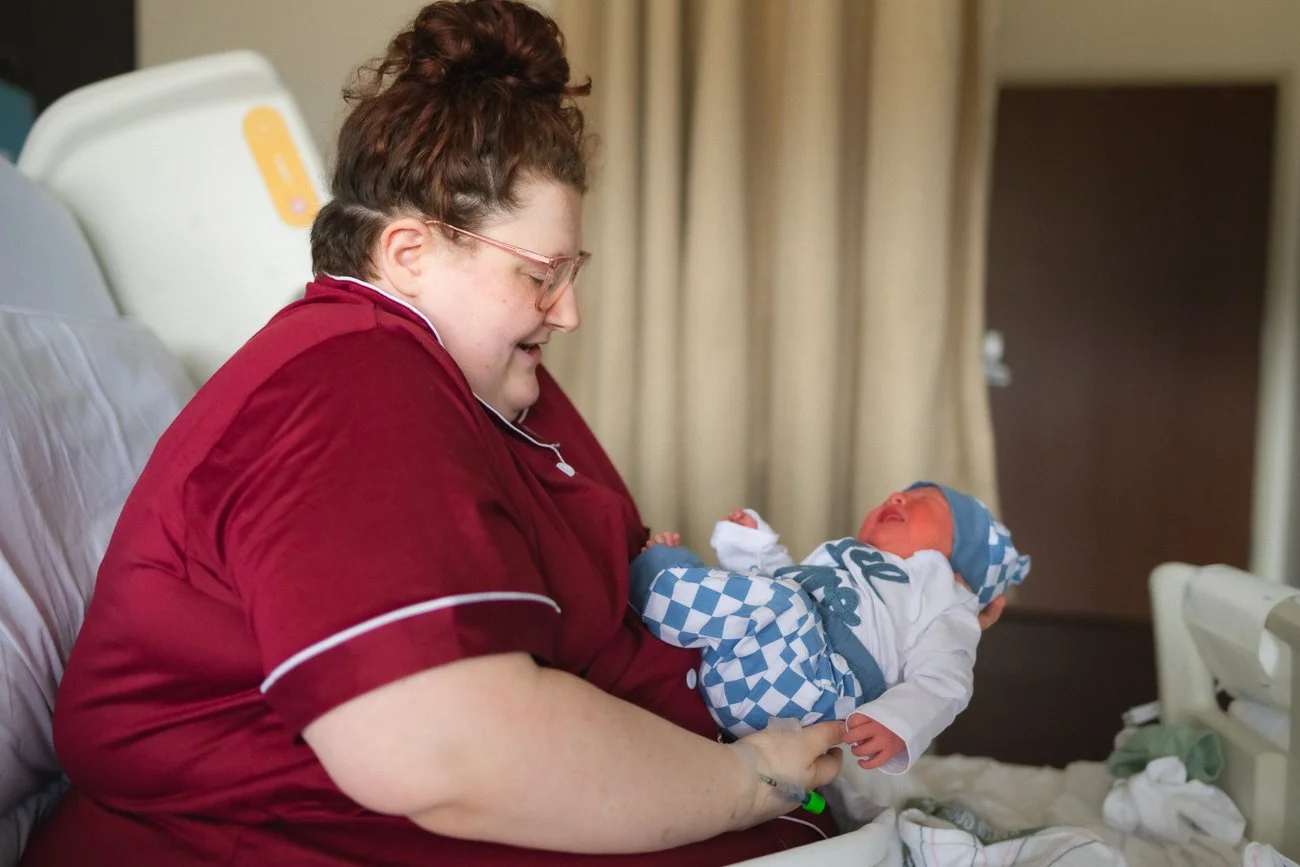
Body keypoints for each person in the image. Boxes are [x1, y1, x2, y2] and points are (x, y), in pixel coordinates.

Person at [20, 2, 850, 864]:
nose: (568, 311)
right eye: (540, 275)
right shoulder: (348, 384)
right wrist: (751, 779)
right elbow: (441, 750)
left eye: (572, 272)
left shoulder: (472, 381)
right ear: (408, 254)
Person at [629, 482, 1030, 775]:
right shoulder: (849, 559)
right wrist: (755, 547)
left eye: (926, 500)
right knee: (779, 597)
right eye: (895, 496)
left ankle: (657, 586)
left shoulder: (947, 595)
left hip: (822, 687)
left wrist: (899, 722)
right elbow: (788, 581)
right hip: (757, 668)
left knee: (782, 603)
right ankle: (670, 582)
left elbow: (946, 681)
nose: (896, 497)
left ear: (964, 559)